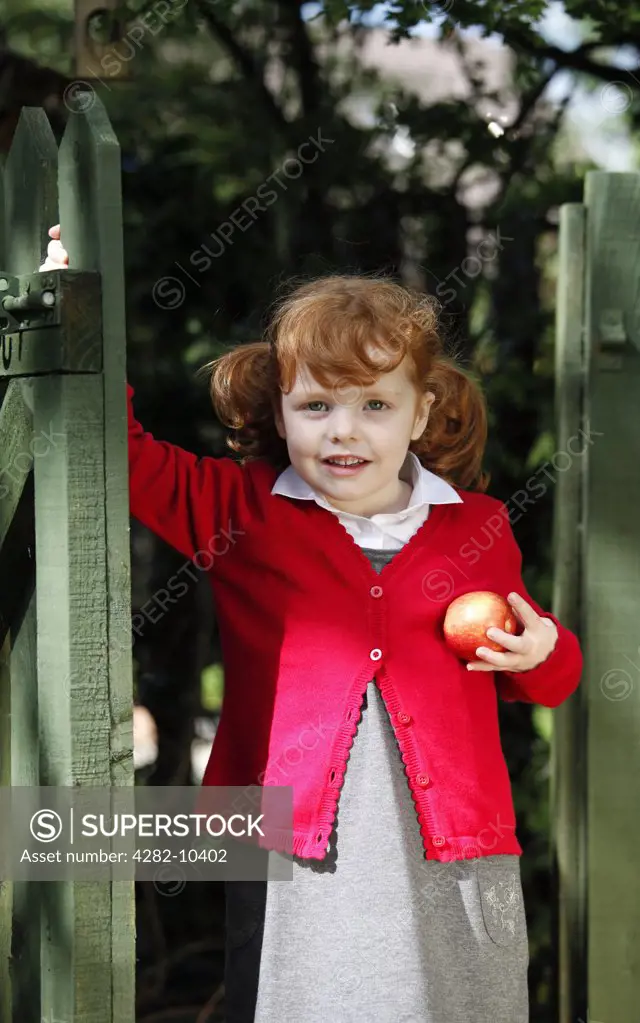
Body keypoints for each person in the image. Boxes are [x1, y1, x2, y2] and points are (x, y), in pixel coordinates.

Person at [40, 224, 582, 1023]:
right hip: (284, 845)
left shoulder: (480, 527)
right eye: (316, 404)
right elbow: (116, 451)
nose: (343, 430)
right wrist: (70, 303)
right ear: (281, 408)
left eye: (375, 404)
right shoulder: (240, 508)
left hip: (449, 846)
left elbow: (550, 676)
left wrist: (540, 650)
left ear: (422, 409)